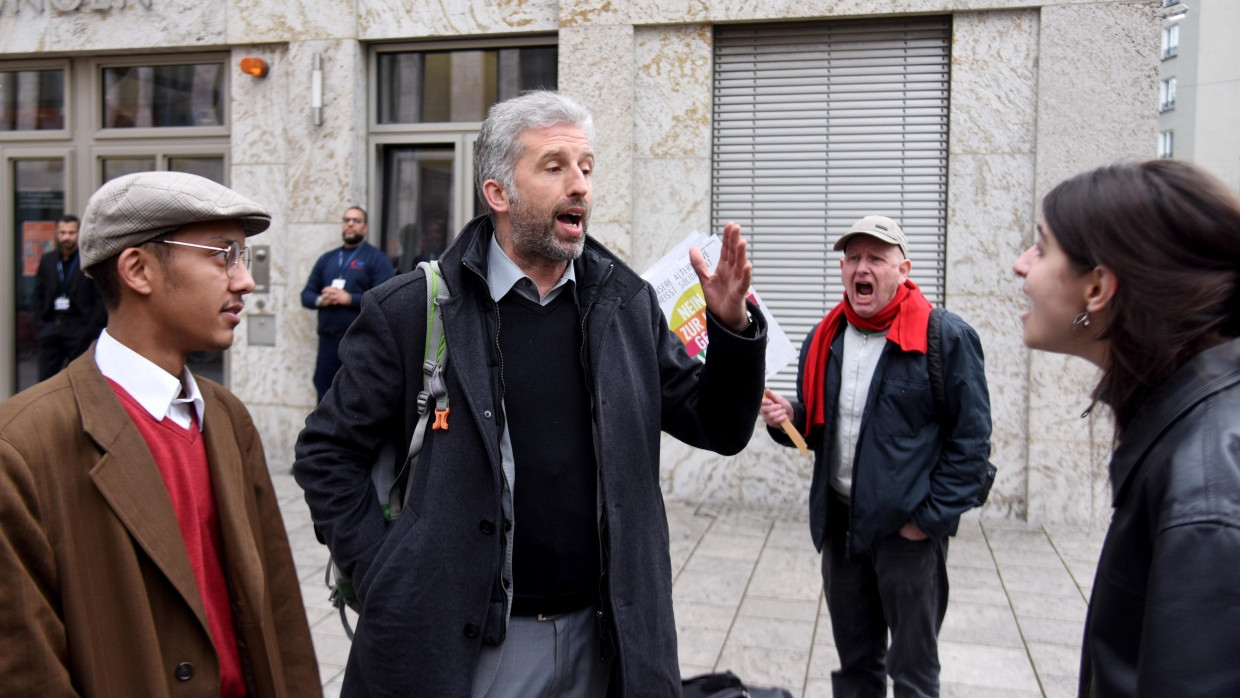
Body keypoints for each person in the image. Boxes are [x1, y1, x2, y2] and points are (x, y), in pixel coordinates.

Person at [293, 90, 767, 697]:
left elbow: (720, 427)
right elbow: (326, 454)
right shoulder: (412, 310)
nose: (580, 186)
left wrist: (730, 331)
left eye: (587, 168)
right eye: (555, 166)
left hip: (605, 640)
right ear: (498, 193)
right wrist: (384, 571)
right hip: (474, 647)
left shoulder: (626, 304)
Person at [0, 171, 320, 697]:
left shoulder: (227, 417)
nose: (245, 280)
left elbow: (279, 612)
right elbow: (26, 669)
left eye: (241, 256)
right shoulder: (24, 447)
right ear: (138, 269)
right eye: (223, 254)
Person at [1012, 160, 1240, 697]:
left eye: (1042, 248)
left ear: (1098, 288)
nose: (1021, 266)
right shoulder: (1185, 422)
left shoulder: (1208, 489)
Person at [762, 215, 993, 698]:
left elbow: (971, 445)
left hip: (906, 536)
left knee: (912, 672)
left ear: (903, 269)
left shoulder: (943, 338)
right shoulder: (825, 336)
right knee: (856, 667)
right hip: (842, 530)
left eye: (876, 258)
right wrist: (788, 415)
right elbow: (818, 426)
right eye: (852, 258)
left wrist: (926, 522)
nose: (860, 268)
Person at [300, 206, 395, 401]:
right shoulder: (327, 259)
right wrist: (321, 300)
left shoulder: (376, 259)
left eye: (356, 220)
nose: (350, 224)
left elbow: (385, 299)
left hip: (359, 341)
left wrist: (348, 298)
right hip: (327, 342)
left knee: (356, 398)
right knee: (325, 395)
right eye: (346, 220)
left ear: (365, 227)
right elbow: (306, 295)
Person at [33, 214, 107, 379]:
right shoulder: (48, 260)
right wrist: (41, 325)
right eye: (62, 232)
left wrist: (89, 330)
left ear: (79, 234)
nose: (66, 237)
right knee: (45, 382)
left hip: (79, 329)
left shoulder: (88, 260)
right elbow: (38, 294)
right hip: (52, 328)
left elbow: (100, 297)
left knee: (79, 380)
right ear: (57, 234)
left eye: (71, 233)